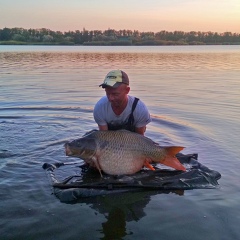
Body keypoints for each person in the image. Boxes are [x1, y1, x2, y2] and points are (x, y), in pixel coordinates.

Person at [93, 70, 151, 135]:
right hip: (111, 141)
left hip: (133, 142)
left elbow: (141, 139)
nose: (111, 98)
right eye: (108, 93)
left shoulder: (140, 109)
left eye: (115, 94)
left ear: (127, 90)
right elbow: (104, 137)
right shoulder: (100, 108)